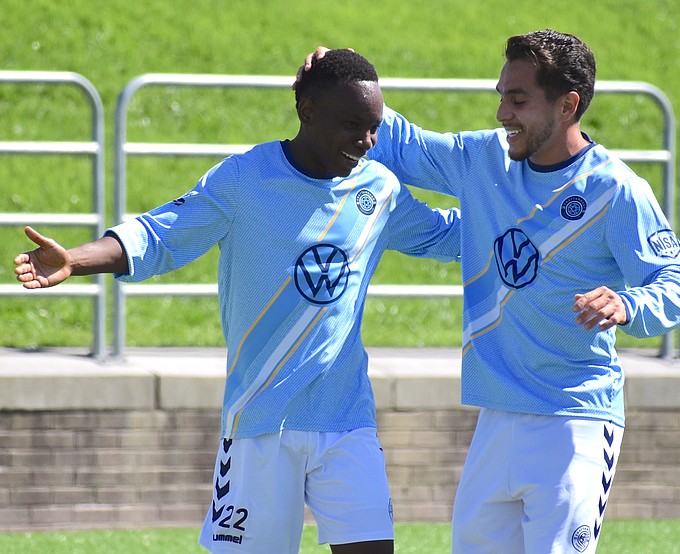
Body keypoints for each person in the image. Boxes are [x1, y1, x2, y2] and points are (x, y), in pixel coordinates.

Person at [13, 49, 461, 554]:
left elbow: (445, 237)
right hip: (259, 422)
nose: (367, 141)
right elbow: (162, 236)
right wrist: (76, 257)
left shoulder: (379, 189)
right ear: (307, 112)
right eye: (353, 125)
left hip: (345, 417)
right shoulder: (245, 179)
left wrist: (542, 223)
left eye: (375, 127)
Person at [299, 30, 680, 554]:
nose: (501, 113)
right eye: (501, 96)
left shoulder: (616, 189)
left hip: (574, 420)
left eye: (518, 100)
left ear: (569, 104)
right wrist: (338, 78)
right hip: (495, 418)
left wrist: (629, 304)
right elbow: (403, 144)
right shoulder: (484, 161)